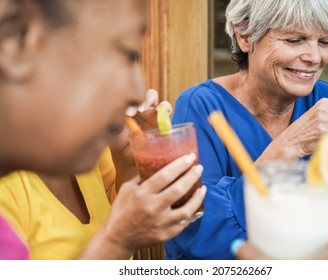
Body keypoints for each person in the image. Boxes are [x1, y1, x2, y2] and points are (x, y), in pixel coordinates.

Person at [165, 0, 328, 260]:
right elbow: (194, 230)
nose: (315, 57)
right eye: (294, 40)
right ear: (245, 36)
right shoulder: (201, 106)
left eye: (324, 42)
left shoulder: (327, 98)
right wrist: (289, 146)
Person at [0, 0, 205, 260]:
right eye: (125, 53)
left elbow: (114, 206)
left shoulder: (82, 150)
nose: (138, 91)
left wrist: (127, 159)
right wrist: (117, 241)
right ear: (17, 47)